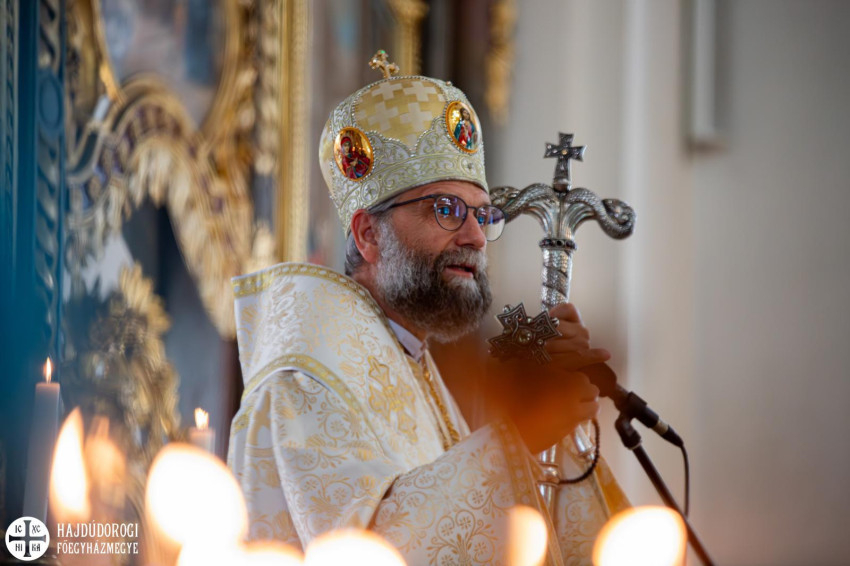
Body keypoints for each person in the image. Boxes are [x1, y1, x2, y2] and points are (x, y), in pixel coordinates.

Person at [228, 57, 628, 565]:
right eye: (446, 210)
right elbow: (363, 553)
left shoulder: (408, 358)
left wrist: (552, 418)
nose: (476, 236)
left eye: (482, 214)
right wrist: (520, 435)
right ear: (368, 235)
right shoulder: (305, 380)